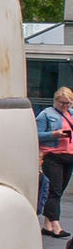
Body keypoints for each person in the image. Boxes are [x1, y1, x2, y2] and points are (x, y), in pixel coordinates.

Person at [37, 86, 73, 237]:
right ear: (55, 100)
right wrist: (54, 134)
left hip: (69, 156)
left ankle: (47, 225)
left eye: (68, 103)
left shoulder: (71, 114)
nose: (64, 106)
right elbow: (36, 134)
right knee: (55, 189)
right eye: (62, 103)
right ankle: (56, 225)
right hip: (53, 156)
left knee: (59, 191)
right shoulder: (46, 114)